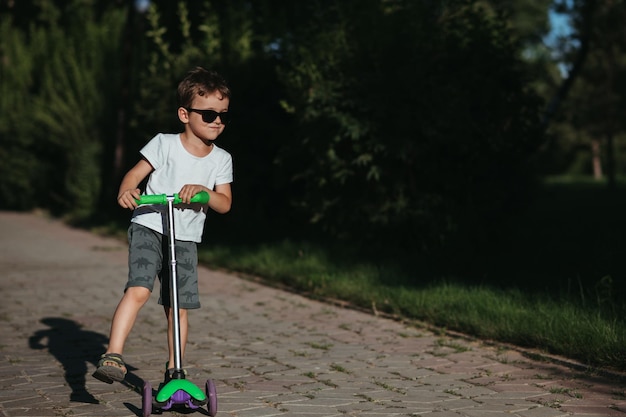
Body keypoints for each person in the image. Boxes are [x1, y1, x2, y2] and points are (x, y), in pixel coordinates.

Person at [92, 67, 233, 384]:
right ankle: (113, 355)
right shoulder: (164, 144)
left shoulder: (221, 159)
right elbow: (134, 174)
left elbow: (224, 203)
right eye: (208, 114)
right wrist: (126, 190)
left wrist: (204, 192)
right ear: (185, 114)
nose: (217, 122)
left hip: (185, 238)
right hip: (150, 225)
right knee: (139, 289)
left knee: (178, 308)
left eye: (223, 115)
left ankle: (175, 371)